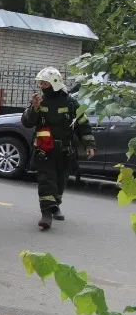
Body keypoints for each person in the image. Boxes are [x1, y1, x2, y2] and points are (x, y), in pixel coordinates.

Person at [21, 67, 95, 230]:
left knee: (60, 182)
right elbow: (27, 122)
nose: (41, 86)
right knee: (47, 181)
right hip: (44, 150)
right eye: (40, 83)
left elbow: (83, 125)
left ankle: (56, 204)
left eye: (44, 83)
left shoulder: (70, 103)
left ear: (55, 84)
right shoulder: (38, 101)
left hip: (64, 151)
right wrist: (34, 108)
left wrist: (89, 144)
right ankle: (46, 214)